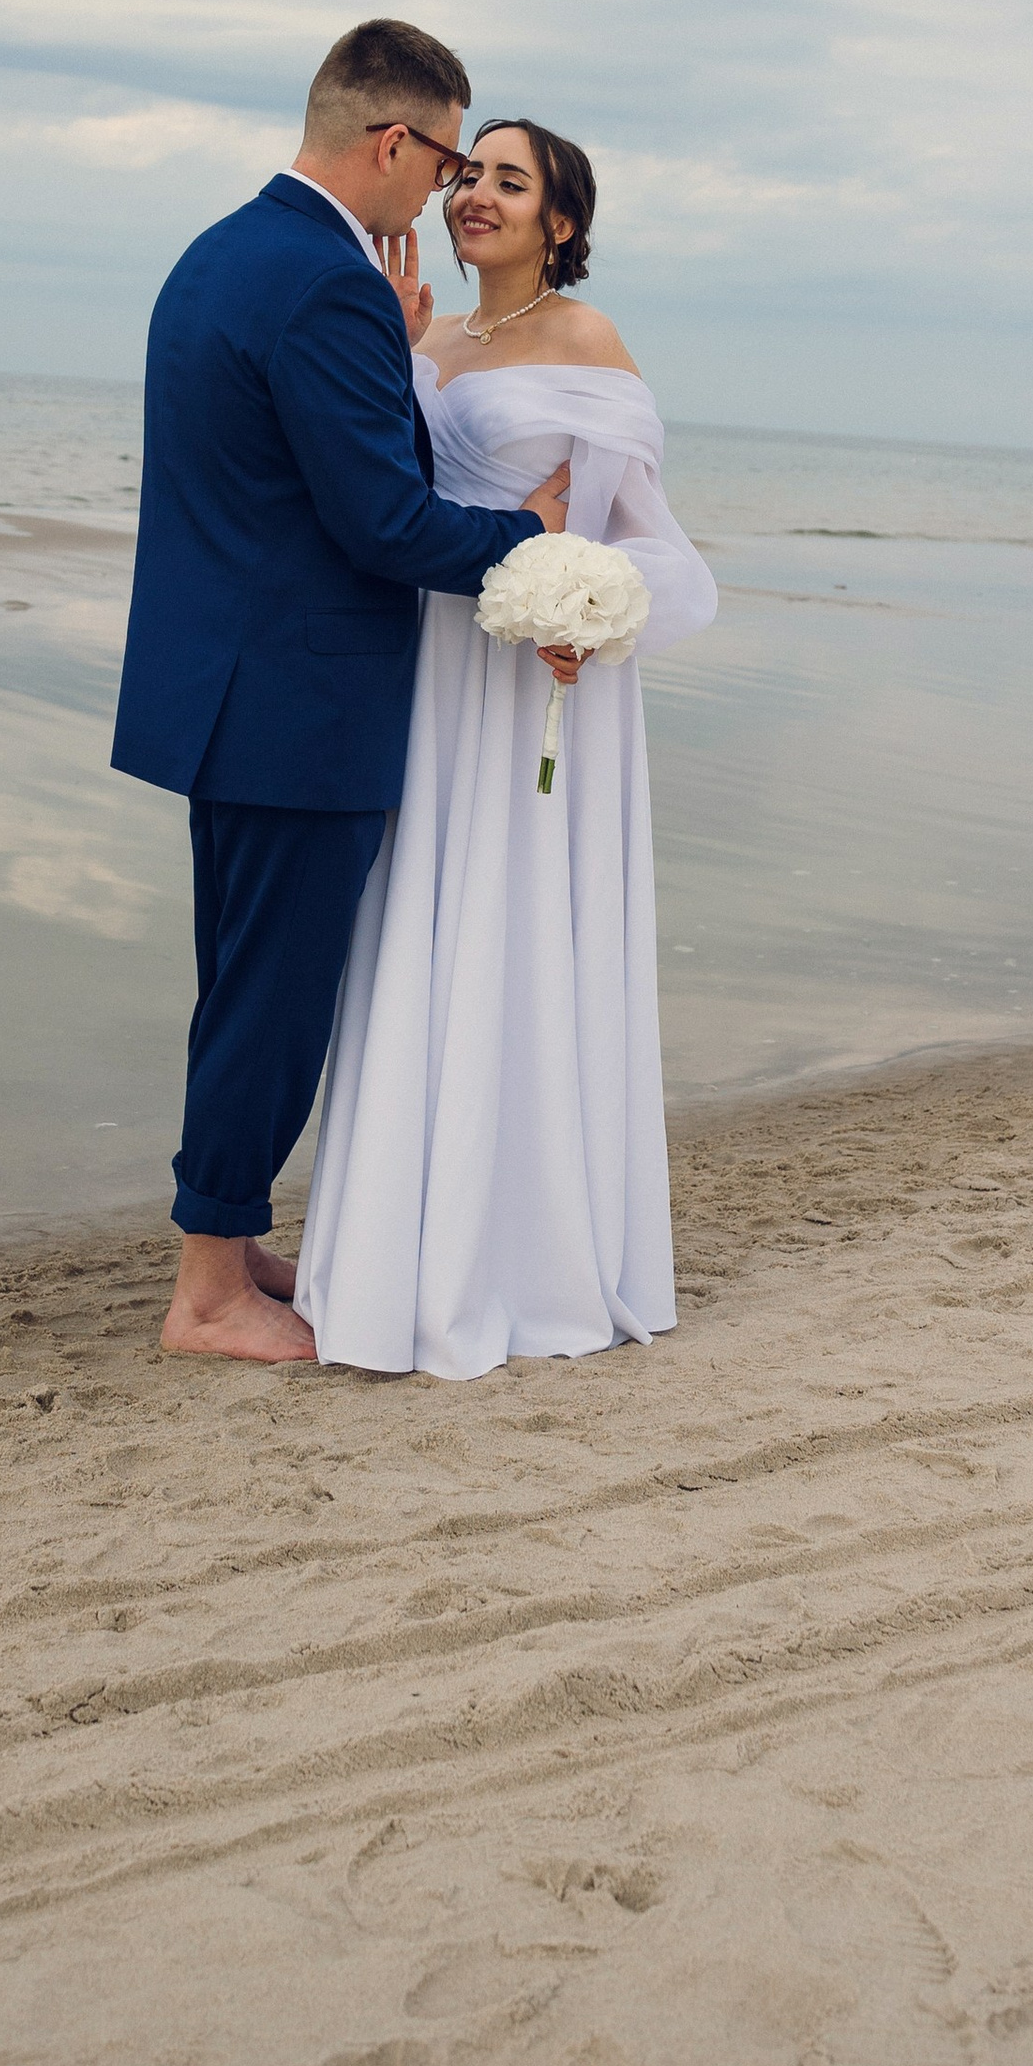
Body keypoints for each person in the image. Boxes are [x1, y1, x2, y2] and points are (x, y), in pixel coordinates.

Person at [111, 22, 572, 1364]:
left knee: (245, 979)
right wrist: (528, 539)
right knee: (278, 994)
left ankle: (227, 1240)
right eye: (440, 163)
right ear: (392, 143)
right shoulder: (324, 287)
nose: (445, 193)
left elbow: (273, 482)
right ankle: (206, 1298)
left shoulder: (223, 253)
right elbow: (380, 523)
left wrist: (397, 347)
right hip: (300, 703)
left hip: (226, 690)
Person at [296, 117, 717, 1377]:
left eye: (508, 181)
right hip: (425, 672)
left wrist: (581, 610)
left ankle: (523, 1255)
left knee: (518, 931)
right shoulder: (415, 329)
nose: (475, 193)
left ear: (561, 224)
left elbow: (648, 543)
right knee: (416, 926)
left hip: (536, 682)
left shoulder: (587, 344)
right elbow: (385, 503)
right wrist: (393, 334)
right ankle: (395, 1246)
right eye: (468, 172)